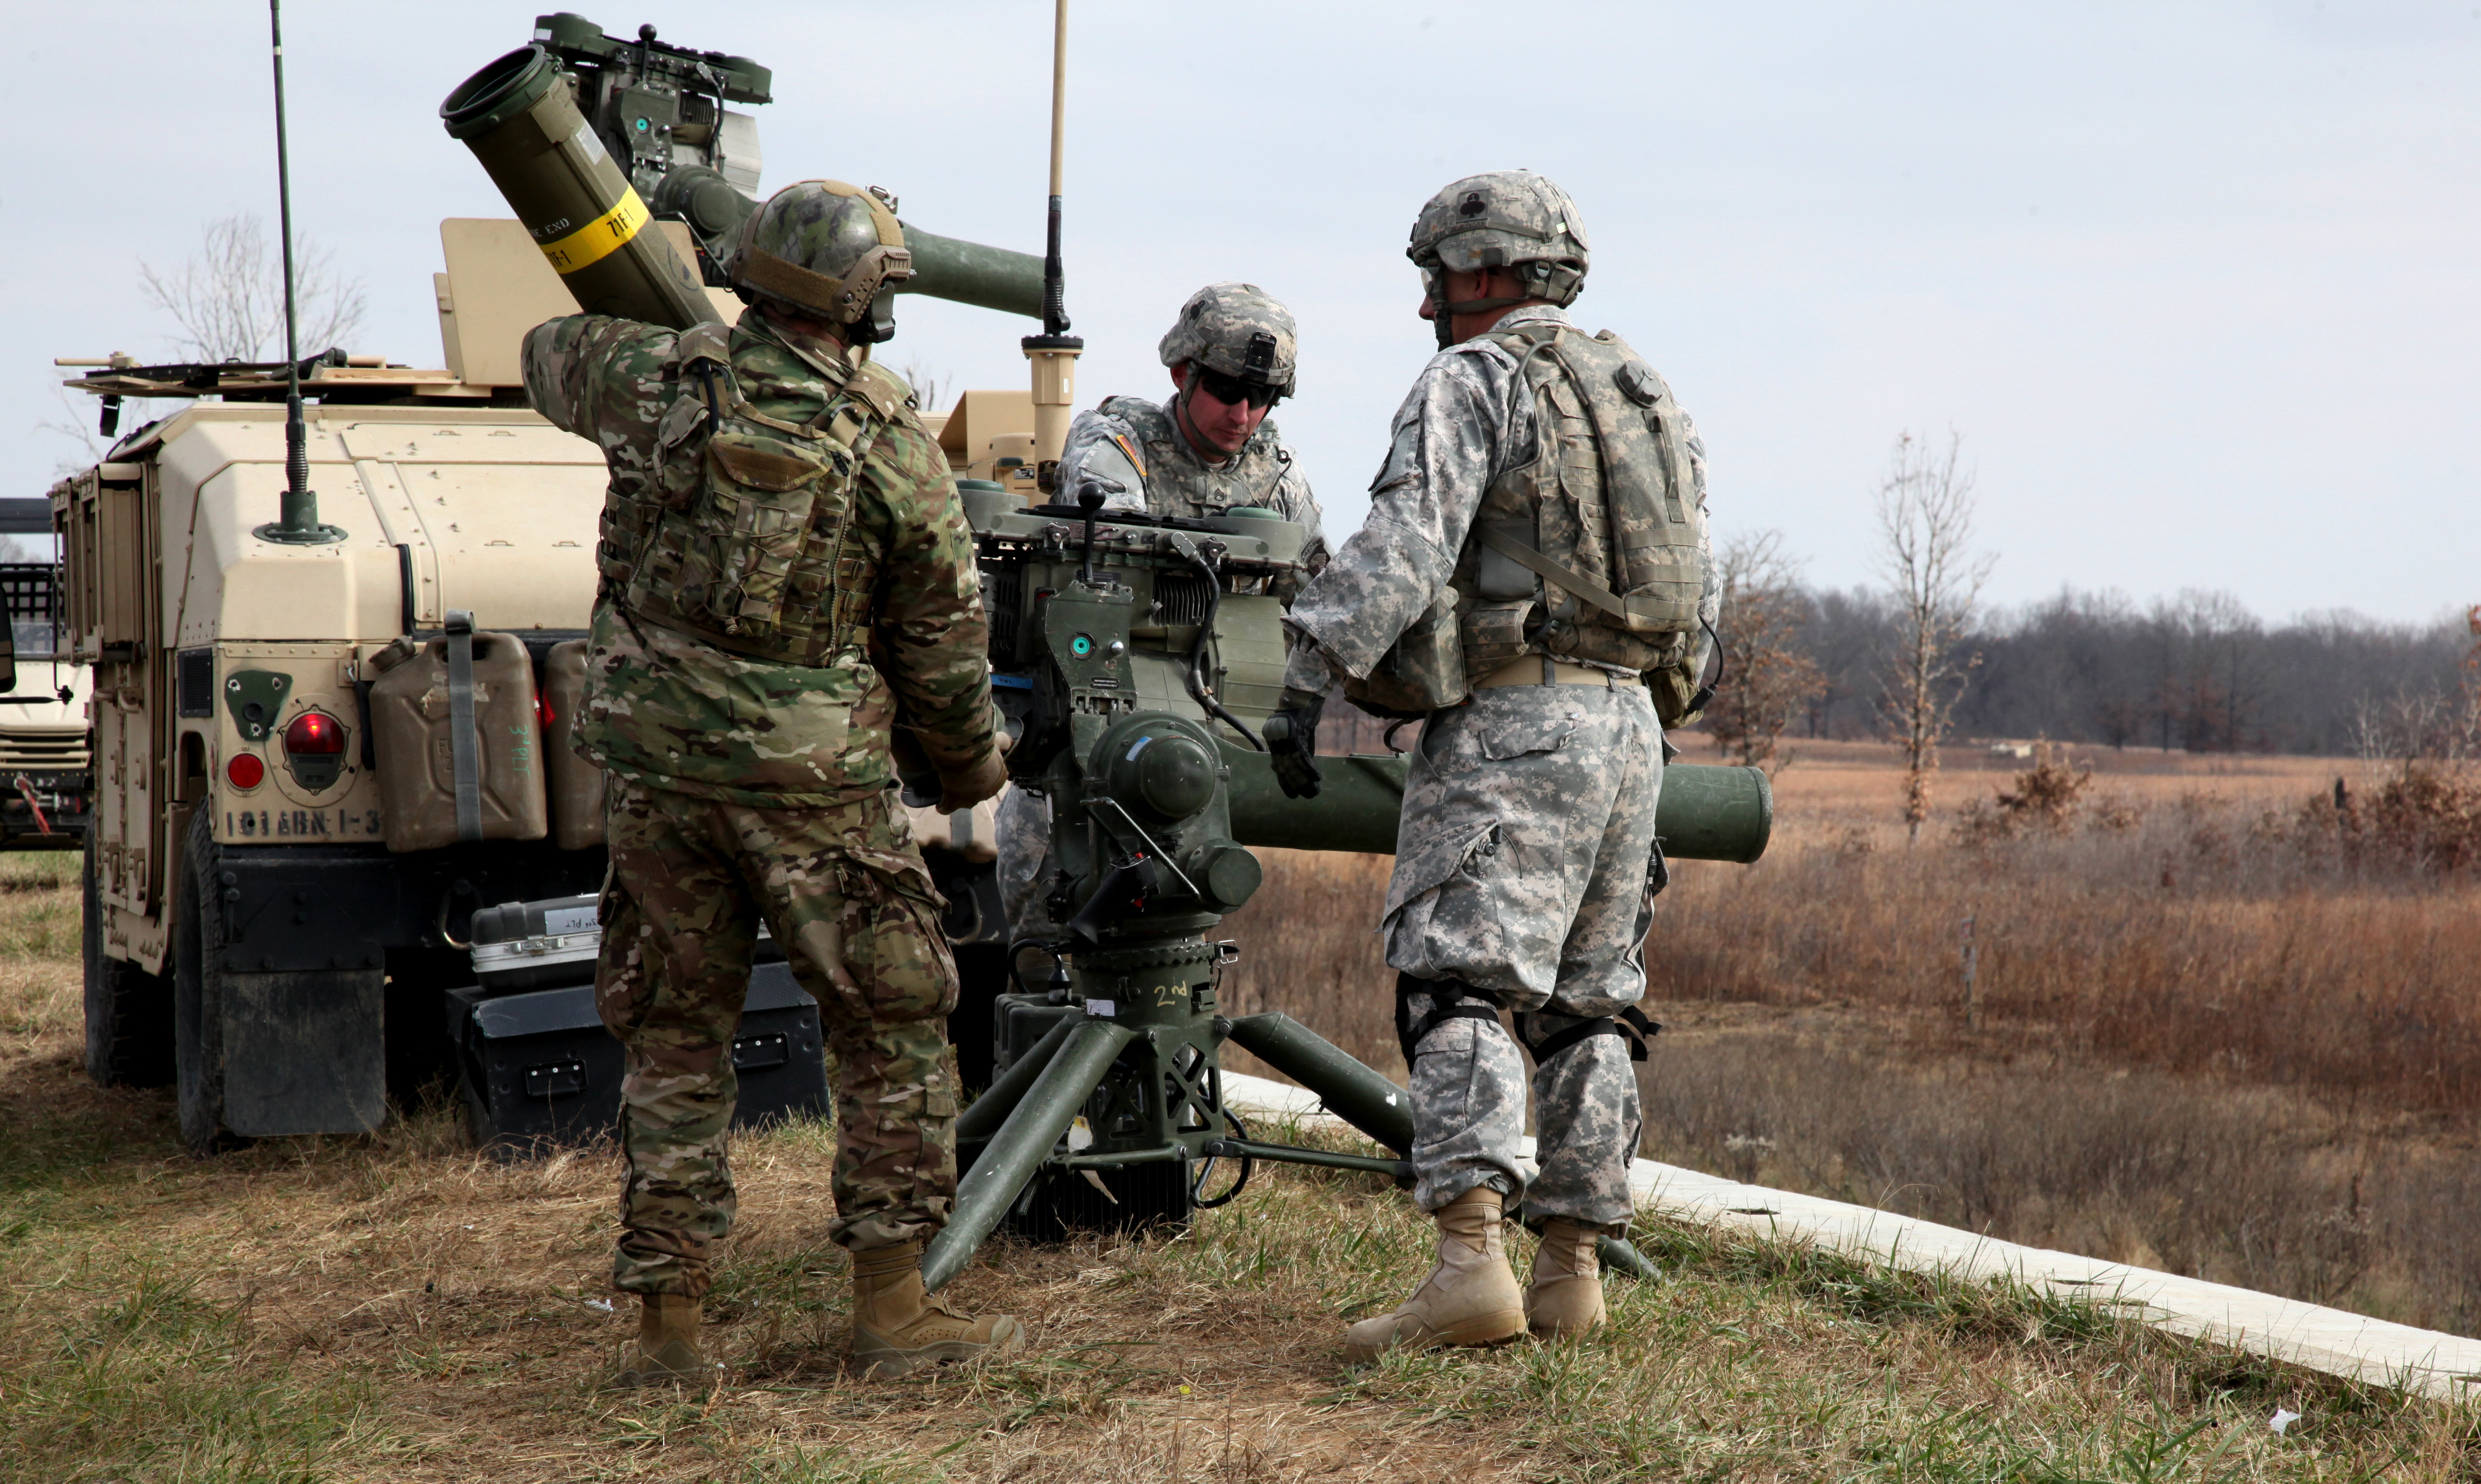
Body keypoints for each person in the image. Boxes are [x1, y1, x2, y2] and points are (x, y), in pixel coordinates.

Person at [523, 179, 1021, 1385]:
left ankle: (667, 1327)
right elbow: (943, 639)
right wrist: (964, 769)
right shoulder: (891, 438)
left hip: (659, 769)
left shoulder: (649, 381)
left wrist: (674, 329)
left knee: (674, 1034)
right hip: (813, 779)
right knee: (893, 1015)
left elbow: (545, 354)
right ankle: (892, 1308)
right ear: (862, 303)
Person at [1264, 171, 1714, 1365]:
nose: (1426, 309)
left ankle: (1471, 1267)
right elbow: (1696, 595)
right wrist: (1635, 711)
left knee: (1456, 985)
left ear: (1480, 272)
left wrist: (1305, 672)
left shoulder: (1477, 378)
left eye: (1436, 281)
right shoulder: (1644, 389)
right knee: (1590, 1004)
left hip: (1516, 727)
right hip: (1631, 734)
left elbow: (1406, 548)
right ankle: (1572, 1275)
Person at [997, 283, 1329, 964]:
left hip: (1194, 749)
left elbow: (1325, 599)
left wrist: (1300, 701)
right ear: (1183, 374)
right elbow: (1111, 559)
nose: (1245, 414)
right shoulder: (1119, 446)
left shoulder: (1280, 483)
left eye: (1263, 398)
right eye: (1228, 390)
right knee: (1045, 924)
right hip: (1085, 727)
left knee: (1173, 940)